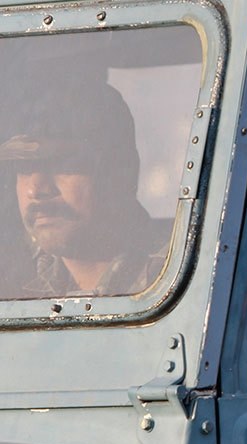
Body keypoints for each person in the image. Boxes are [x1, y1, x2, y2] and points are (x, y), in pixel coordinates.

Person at [0, 84, 168, 298]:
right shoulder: (14, 284)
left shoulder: (178, 275)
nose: (35, 190)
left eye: (61, 164)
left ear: (119, 171)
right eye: (23, 169)